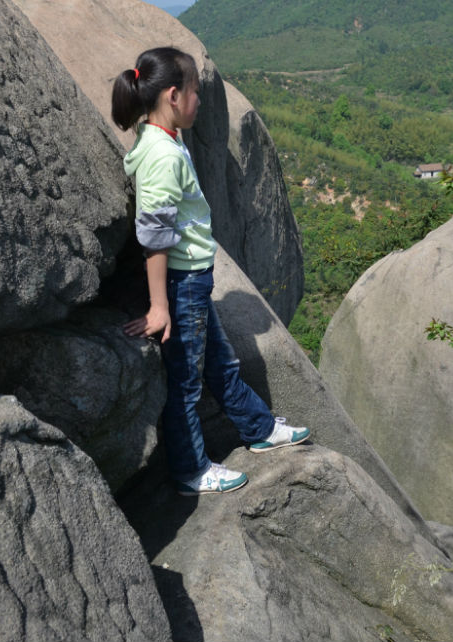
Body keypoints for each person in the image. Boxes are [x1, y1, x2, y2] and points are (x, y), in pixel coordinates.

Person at [113, 46, 310, 496]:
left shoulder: (162, 136)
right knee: (185, 382)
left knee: (221, 364)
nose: (200, 100)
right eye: (195, 92)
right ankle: (191, 470)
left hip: (194, 282)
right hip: (182, 286)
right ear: (173, 96)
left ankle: (258, 428)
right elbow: (154, 235)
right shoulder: (163, 156)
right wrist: (160, 306)